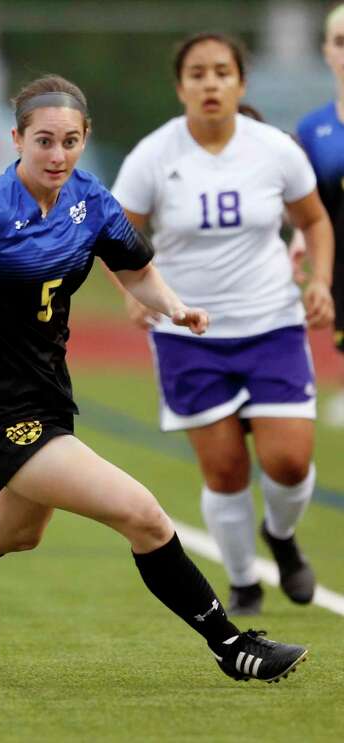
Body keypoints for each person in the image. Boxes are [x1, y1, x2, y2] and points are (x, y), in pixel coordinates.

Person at [0, 73, 308, 684]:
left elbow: (137, 269)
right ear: (15, 139)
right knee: (142, 513)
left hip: (48, 398)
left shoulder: (90, 201)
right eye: (43, 141)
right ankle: (231, 645)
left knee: (11, 531)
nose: (57, 154)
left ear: (84, 138)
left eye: (70, 141)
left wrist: (174, 306)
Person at [110, 33, 334, 616]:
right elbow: (115, 236)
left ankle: (281, 539)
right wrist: (135, 292)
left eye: (222, 72)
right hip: (191, 335)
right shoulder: (153, 156)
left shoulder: (273, 149)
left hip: (272, 325)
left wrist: (319, 281)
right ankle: (243, 583)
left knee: (289, 462)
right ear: (180, 85)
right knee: (227, 469)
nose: (211, 83)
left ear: (241, 82)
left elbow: (315, 221)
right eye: (198, 74)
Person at [297, 4, 344, 426]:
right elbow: (305, 205)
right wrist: (299, 244)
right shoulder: (314, 129)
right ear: (327, 51)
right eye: (341, 42)